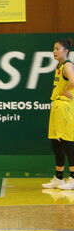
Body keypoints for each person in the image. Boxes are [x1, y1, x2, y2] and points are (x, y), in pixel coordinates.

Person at [42, 38, 74, 190]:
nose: (54, 51)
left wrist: (64, 91)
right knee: (56, 142)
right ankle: (58, 178)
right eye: (53, 48)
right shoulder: (59, 66)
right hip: (57, 106)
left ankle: (73, 179)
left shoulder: (67, 65)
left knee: (67, 142)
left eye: (57, 49)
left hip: (65, 107)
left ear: (66, 51)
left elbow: (73, 80)